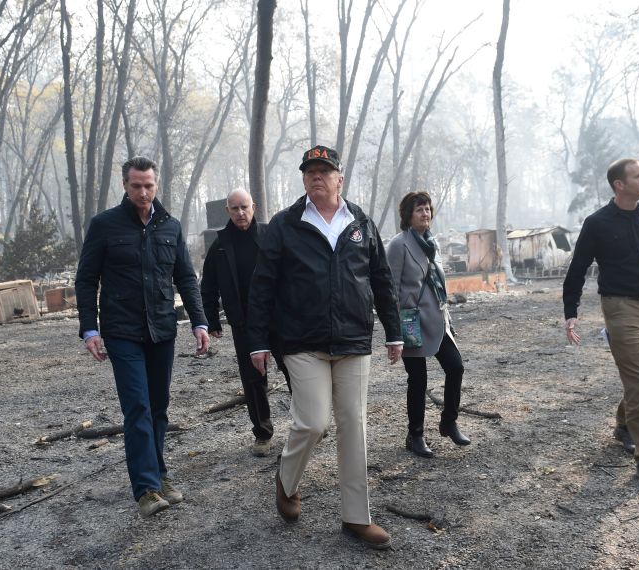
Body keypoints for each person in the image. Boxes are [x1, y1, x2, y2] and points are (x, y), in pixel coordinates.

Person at [248, 145, 403, 550]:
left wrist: (395, 330)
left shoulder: (361, 222)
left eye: (324, 170)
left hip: (353, 339)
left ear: (340, 178)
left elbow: (381, 279)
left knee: (354, 425)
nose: (317, 176)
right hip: (301, 340)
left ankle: (356, 517)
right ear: (304, 179)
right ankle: (287, 480)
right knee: (313, 422)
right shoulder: (285, 224)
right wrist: (258, 342)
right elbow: (262, 286)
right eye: (310, 171)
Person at [75, 157, 210, 517]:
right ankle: (146, 488)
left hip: (162, 329)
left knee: (159, 408)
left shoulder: (170, 226)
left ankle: (160, 474)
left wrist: (199, 322)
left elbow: (185, 278)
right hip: (122, 332)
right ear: (125, 185)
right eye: (136, 185)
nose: (143, 192)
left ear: (157, 185)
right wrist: (89, 328)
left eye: (149, 185)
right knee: (137, 407)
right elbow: (87, 279)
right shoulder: (105, 225)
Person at [563, 158, 639, 489]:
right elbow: (577, 268)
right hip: (619, 307)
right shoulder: (598, 223)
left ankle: (623, 424)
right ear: (620, 184)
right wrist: (570, 311)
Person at [200, 188, 288, 457]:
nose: (240, 213)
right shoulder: (220, 245)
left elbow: (291, 275)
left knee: (295, 370)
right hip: (244, 322)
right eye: (235, 208)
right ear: (227, 211)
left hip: (278, 318)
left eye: (244, 207)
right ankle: (263, 434)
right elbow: (209, 286)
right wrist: (212, 319)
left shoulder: (270, 236)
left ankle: (308, 424)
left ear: (254, 207)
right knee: (253, 379)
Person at [387, 191, 469, 458]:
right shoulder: (399, 245)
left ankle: (448, 422)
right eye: (420, 209)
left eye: (428, 209)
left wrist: (448, 318)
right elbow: (390, 289)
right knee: (418, 380)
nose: (425, 213)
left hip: (438, 318)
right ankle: (416, 435)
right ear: (408, 215)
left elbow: (439, 285)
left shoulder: (432, 243)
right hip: (411, 322)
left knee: (455, 367)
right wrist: (394, 331)